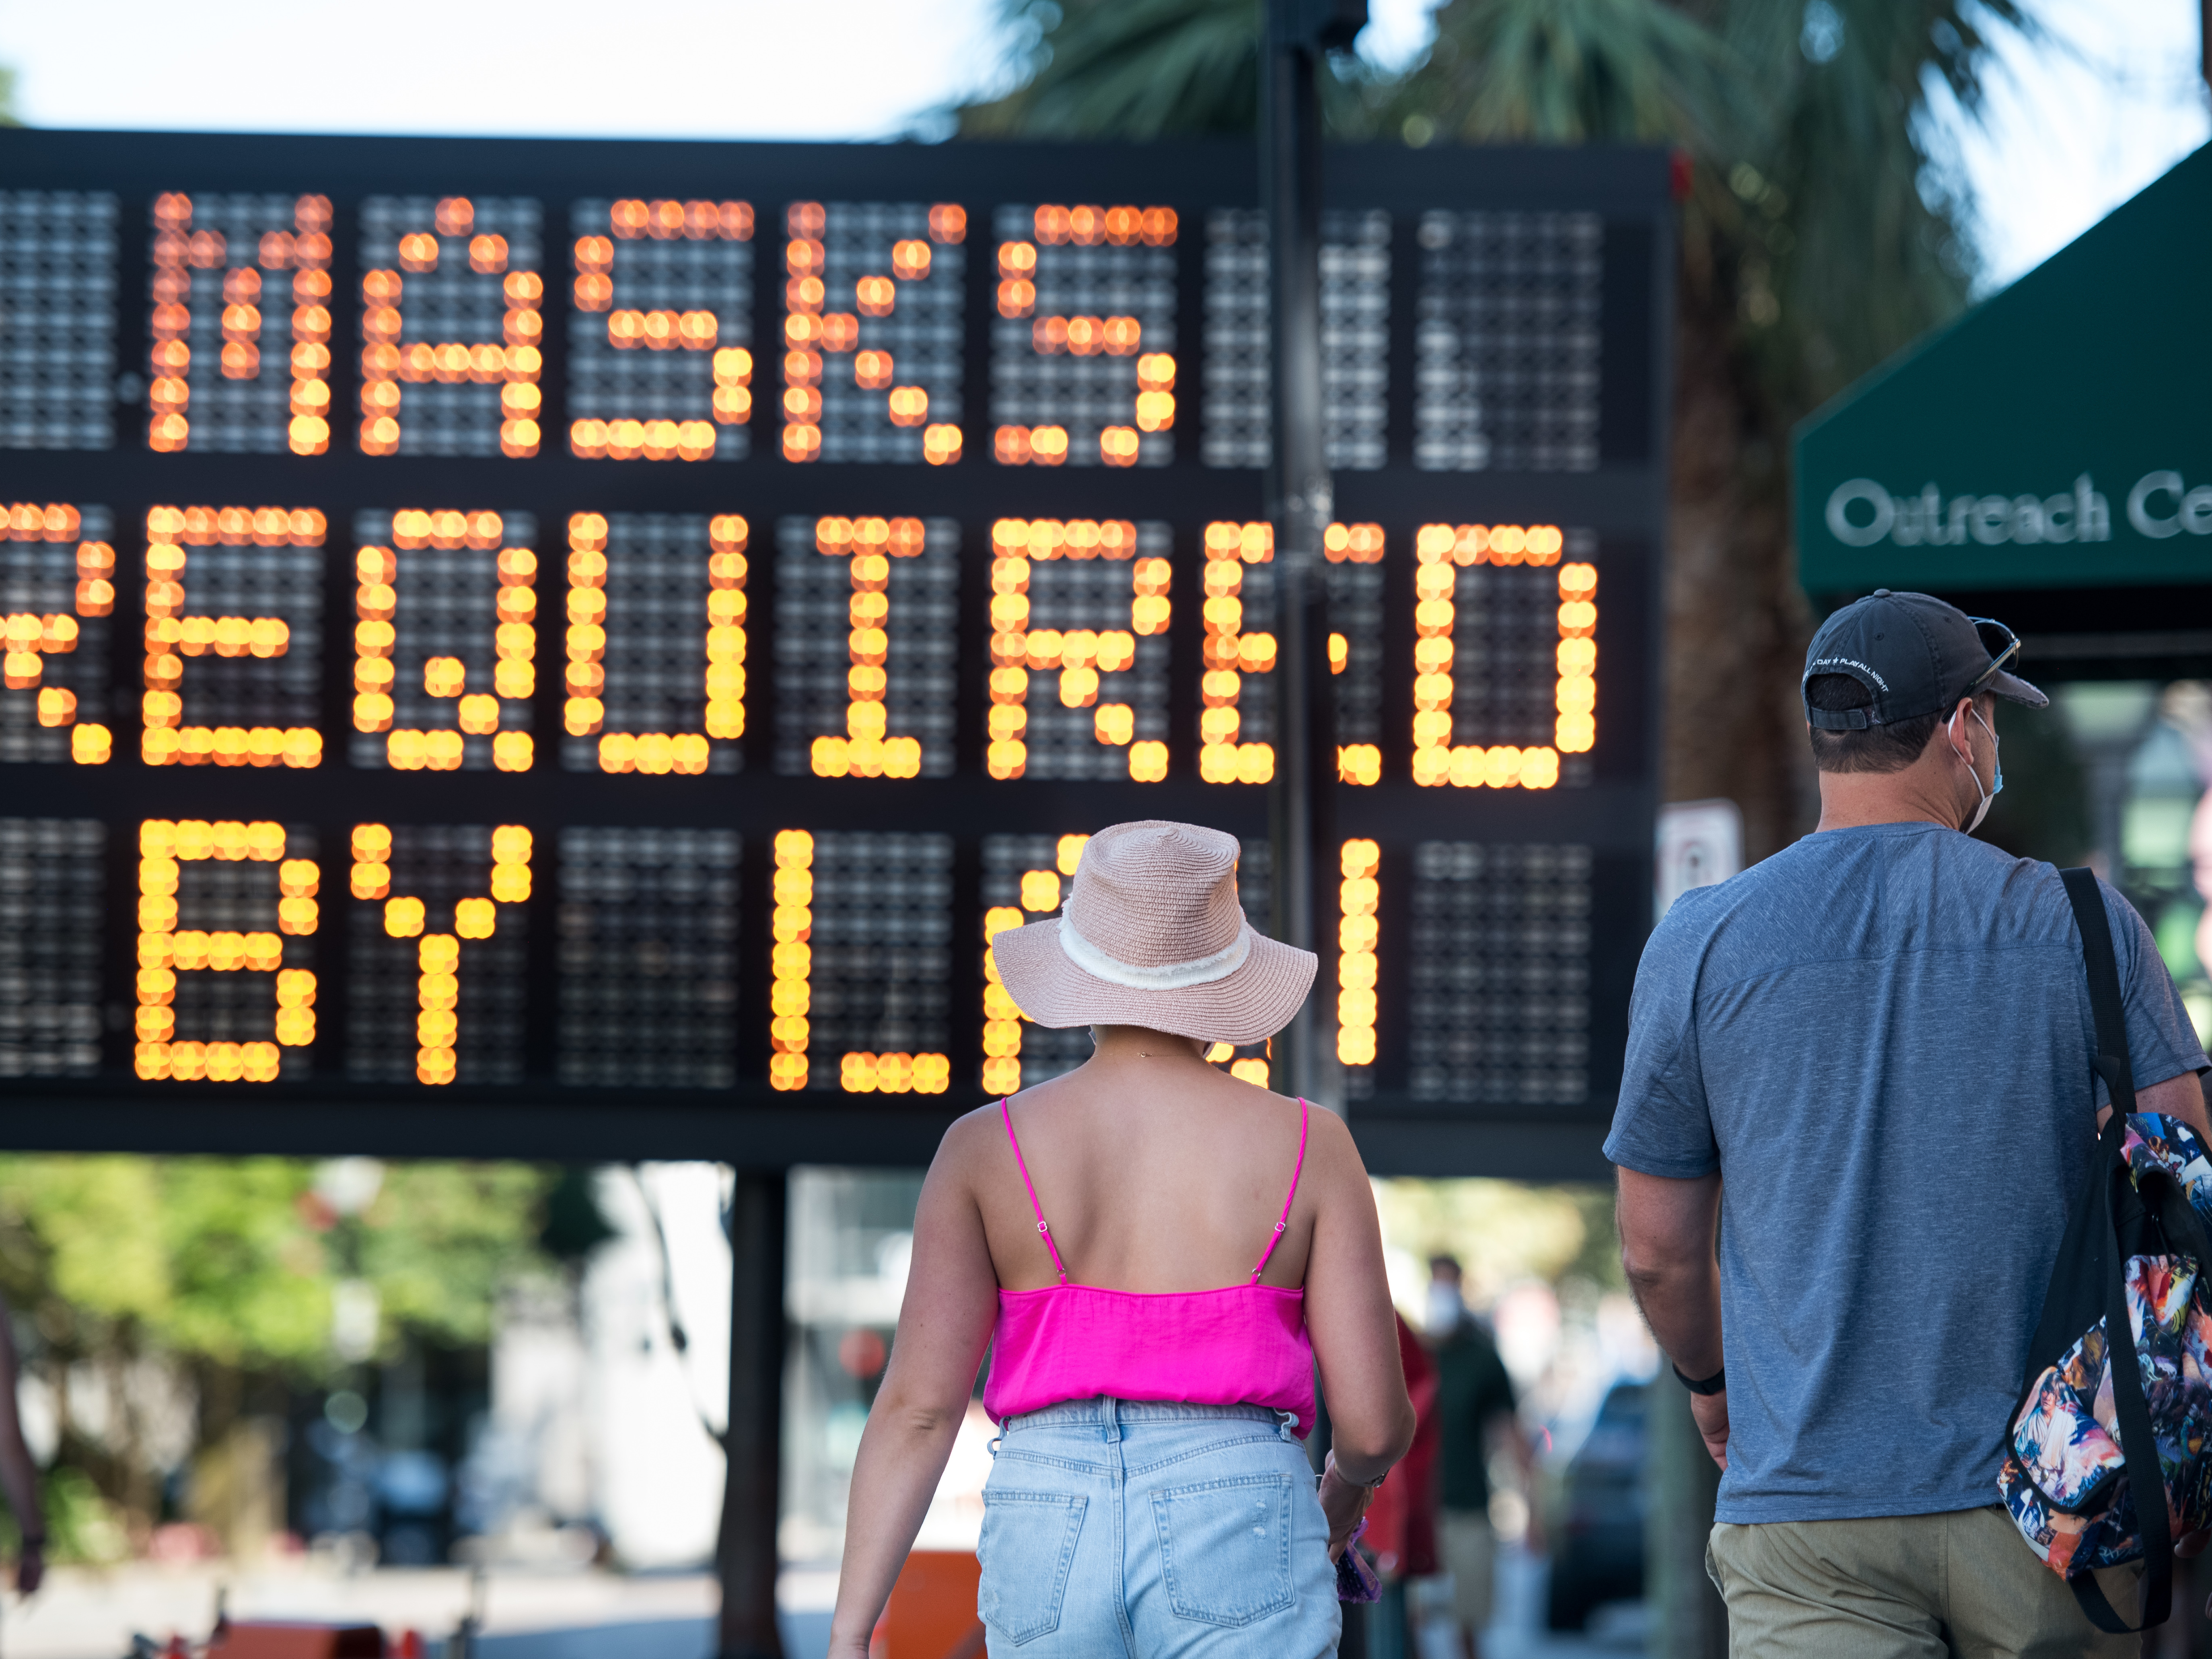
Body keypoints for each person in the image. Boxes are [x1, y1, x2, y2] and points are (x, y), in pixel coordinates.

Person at [1606, 591, 2211, 1656]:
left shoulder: (1700, 941)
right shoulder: (2077, 920)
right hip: (2053, 1503)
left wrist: (1710, 1385)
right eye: (1990, 715)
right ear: (1959, 727)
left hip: (1804, 1512)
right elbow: (2183, 1176)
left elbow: (1656, 1250)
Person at [828, 820, 1416, 1658]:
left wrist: (852, 1631)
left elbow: (918, 1411)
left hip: (1044, 1509)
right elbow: (1369, 1424)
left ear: (1078, 970)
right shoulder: (1309, 1145)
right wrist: (1345, 1493)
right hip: (1242, 1508)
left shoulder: (981, 1149)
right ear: (1227, 982)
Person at [1424, 1256, 1537, 1659]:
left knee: (1468, 1624)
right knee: (1412, 1622)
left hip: (1468, 1507)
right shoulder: (1412, 1353)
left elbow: (1510, 1434)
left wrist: (1533, 1508)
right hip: (1418, 1512)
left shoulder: (1482, 1359)